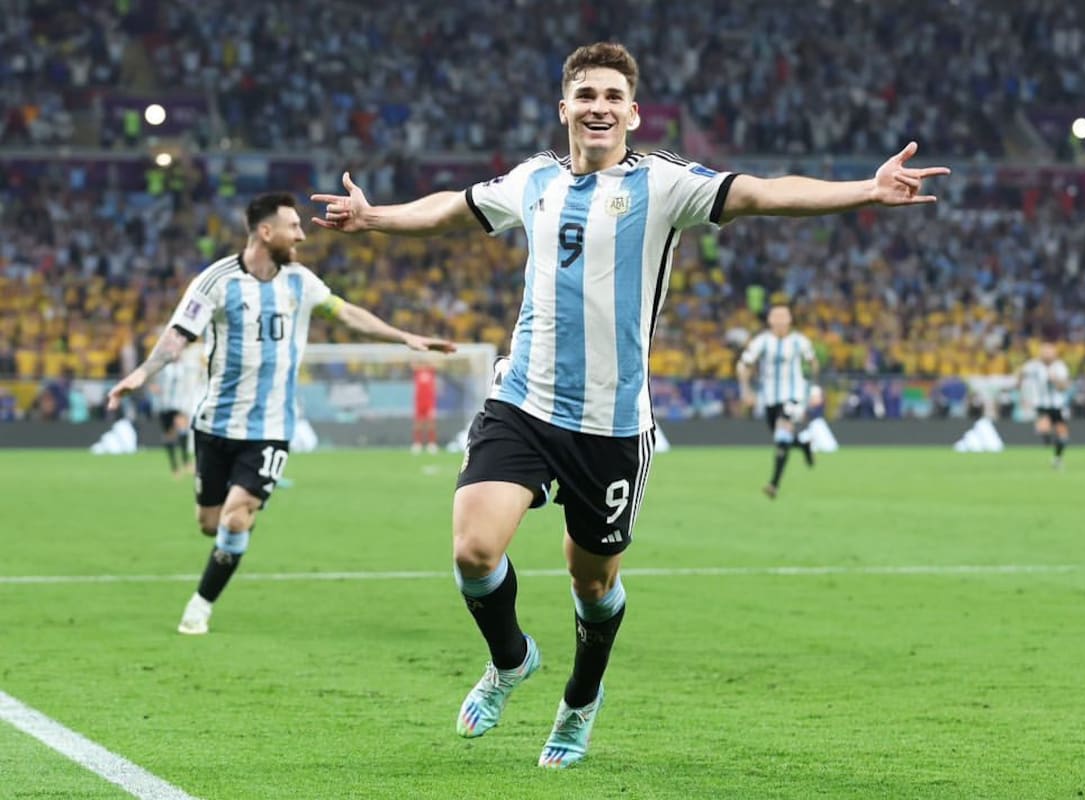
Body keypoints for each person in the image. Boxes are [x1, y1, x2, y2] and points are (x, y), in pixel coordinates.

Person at [311, 42, 948, 768]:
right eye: (587, 95)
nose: (600, 107)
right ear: (565, 110)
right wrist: (375, 218)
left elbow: (765, 193)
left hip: (611, 424)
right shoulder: (534, 180)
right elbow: (453, 211)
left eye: (614, 96)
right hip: (523, 399)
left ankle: (581, 701)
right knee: (473, 549)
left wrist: (865, 190)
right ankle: (511, 661)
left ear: (634, 113)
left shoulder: (667, 184)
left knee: (593, 581)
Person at [106, 192, 455, 635]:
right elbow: (179, 334)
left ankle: (201, 603)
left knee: (237, 513)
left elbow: (346, 312)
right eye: (294, 227)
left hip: (271, 427)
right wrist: (142, 372)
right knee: (209, 523)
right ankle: (233, 539)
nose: (302, 235)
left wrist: (404, 337)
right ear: (265, 232)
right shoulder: (216, 282)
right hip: (215, 422)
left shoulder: (300, 282)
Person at [737, 304, 820, 498]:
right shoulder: (762, 342)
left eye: (784, 317)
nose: (781, 321)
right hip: (769, 397)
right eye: (777, 317)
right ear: (770, 320)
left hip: (793, 395)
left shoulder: (800, 341)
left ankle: (774, 484)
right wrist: (746, 391)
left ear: (790, 320)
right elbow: (744, 365)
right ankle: (804, 445)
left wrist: (814, 389)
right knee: (780, 438)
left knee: (782, 435)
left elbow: (813, 363)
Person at [150, 340, 205, 478]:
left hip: (179, 404)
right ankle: (175, 467)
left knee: (182, 427)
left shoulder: (185, 366)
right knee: (169, 435)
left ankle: (186, 462)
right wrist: (153, 386)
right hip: (164, 404)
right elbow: (151, 377)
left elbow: (200, 367)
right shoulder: (163, 368)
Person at [1017, 341, 1071, 469]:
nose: (1047, 354)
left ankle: (1057, 459)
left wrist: (1055, 380)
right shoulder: (1033, 365)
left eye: (1049, 352)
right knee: (1044, 428)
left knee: (1063, 436)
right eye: (1044, 352)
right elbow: (1021, 373)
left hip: (1057, 406)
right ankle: (1045, 436)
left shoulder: (1060, 366)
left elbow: (1064, 387)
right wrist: (1020, 387)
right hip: (1041, 404)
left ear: (1054, 353)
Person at [412, 360, 439, 453]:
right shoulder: (417, 372)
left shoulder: (431, 372)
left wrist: (429, 357)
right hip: (419, 402)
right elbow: (413, 364)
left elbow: (436, 363)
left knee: (430, 423)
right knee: (418, 423)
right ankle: (417, 443)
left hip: (429, 403)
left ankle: (431, 444)